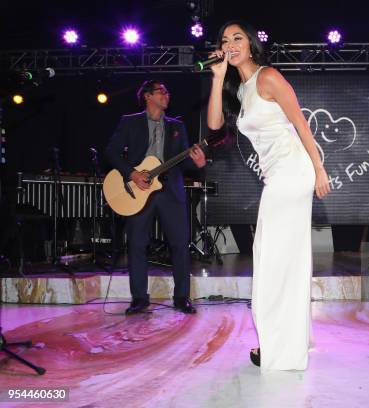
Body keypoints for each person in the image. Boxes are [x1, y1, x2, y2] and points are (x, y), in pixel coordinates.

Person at [207, 21, 330, 370]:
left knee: (274, 262)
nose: (230, 44)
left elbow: (301, 124)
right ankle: (283, 341)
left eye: (237, 38)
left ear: (250, 44)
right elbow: (214, 124)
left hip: (293, 172)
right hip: (276, 176)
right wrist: (217, 78)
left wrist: (319, 169)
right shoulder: (242, 89)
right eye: (224, 40)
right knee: (277, 261)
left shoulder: (268, 77)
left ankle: (280, 347)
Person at [105, 80, 206, 315]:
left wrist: (199, 163)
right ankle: (139, 298)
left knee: (180, 244)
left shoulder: (177, 126)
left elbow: (185, 163)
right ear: (147, 96)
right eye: (161, 91)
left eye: (167, 92)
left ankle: (182, 297)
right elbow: (111, 151)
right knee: (137, 244)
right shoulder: (130, 122)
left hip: (171, 192)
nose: (166, 95)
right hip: (138, 191)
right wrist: (132, 173)